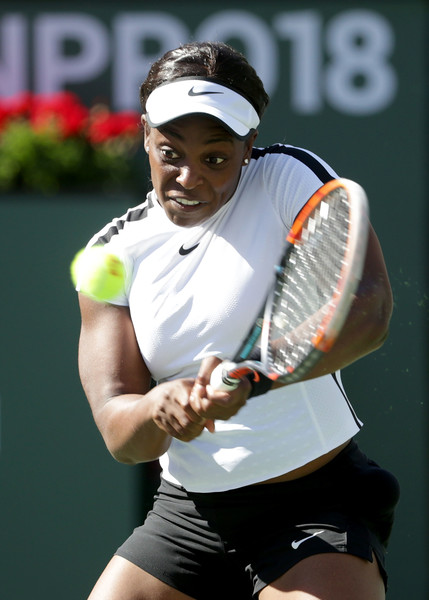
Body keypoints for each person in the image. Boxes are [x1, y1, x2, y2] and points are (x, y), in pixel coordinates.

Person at [76, 41, 400, 600]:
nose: (188, 176)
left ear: (248, 148)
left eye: (215, 158)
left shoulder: (283, 176)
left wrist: (255, 374)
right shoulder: (114, 254)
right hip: (187, 517)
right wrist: (161, 407)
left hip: (313, 504)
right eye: (169, 152)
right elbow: (120, 433)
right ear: (145, 138)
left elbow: (369, 312)